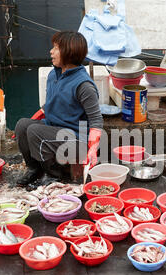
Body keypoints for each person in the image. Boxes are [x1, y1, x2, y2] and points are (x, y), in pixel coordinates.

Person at [15, 31, 103, 185]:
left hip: (76, 139)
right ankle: (34, 169)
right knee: (23, 125)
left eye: (55, 48)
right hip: (54, 129)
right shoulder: (53, 75)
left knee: (35, 132)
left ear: (68, 53)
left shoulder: (84, 85)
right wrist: (38, 115)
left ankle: (53, 175)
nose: (51, 51)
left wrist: (92, 149)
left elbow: (96, 120)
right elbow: (51, 104)